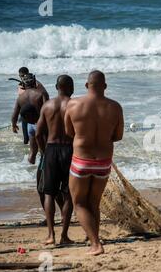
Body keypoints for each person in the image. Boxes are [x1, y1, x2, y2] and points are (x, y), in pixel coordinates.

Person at [65, 70, 124, 255]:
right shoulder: (115, 107)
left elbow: (69, 132)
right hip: (103, 161)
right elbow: (118, 136)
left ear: (86, 85)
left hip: (81, 160)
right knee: (94, 203)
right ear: (105, 86)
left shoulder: (73, 104)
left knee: (79, 204)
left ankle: (96, 244)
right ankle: (94, 240)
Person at [36, 75, 75, 245]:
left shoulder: (47, 105)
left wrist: (44, 152)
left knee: (49, 193)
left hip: (51, 150)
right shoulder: (74, 105)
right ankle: (64, 236)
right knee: (68, 194)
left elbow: (38, 134)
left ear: (56, 87)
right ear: (71, 88)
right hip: (70, 150)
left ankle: (51, 235)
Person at [11, 73, 48, 164]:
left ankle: (28, 170)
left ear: (24, 84)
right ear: (34, 81)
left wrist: (14, 125)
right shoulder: (41, 93)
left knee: (33, 151)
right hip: (41, 125)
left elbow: (15, 114)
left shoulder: (20, 98)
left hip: (30, 126)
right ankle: (43, 172)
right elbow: (48, 110)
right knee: (46, 151)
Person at [17, 67, 48, 145]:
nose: (23, 77)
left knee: (41, 137)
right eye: (21, 76)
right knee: (26, 139)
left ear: (28, 73)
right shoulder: (21, 84)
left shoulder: (36, 83)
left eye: (24, 75)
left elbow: (44, 95)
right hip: (25, 113)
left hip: (36, 114)